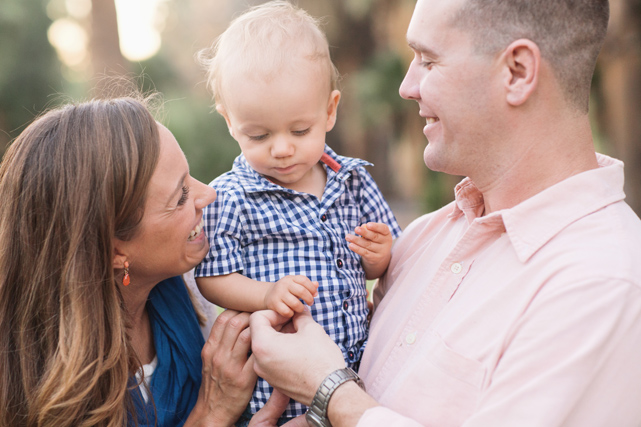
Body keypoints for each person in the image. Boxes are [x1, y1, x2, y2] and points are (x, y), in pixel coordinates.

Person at [248, 0, 641, 425]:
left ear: (518, 72)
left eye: (428, 61)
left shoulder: (604, 285)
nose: (407, 85)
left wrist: (329, 391)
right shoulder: (422, 239)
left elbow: (341, 394)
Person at [0, 95, 297, 427]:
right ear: (115, 252)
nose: (208, 195)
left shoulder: (196, 293)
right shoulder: (36, 389)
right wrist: (212, 414)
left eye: (189, 176)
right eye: (181, 196)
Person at [194, 1, 401, 425]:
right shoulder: (230, 197)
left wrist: (379, 256)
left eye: (300, 130)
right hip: (277, 391)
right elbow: (213, 277)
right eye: (259, 134)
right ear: (229, 121)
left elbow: (385, 260)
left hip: (357, 374)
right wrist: (265, 295)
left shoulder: (353, 181)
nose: (282, 148)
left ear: (330, 110)